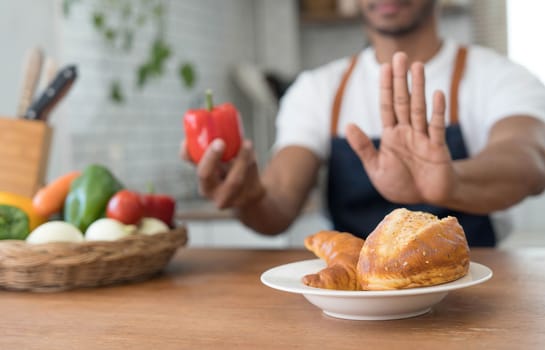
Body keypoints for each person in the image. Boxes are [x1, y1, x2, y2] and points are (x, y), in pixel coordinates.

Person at [180, 0, 545, 247]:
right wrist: (249, 197)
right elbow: (277, 205)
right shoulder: (317, 88)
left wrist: (452, 181)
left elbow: (528, 161)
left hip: (475, 295)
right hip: (355, 298)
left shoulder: (499, 76)